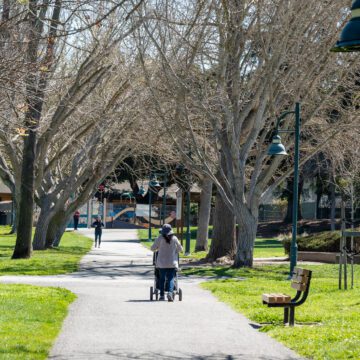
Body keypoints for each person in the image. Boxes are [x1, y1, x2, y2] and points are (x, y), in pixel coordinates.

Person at [151, 224, 183, 302]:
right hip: (172, 263)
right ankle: (170, 292)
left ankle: (161, 295)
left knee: (162, 279)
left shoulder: (159, 238)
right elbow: (180, 249)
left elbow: (153, 248)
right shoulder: (175, 238)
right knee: (171, 278)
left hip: (161, 263)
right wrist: (176, 251)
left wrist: (157, 248)